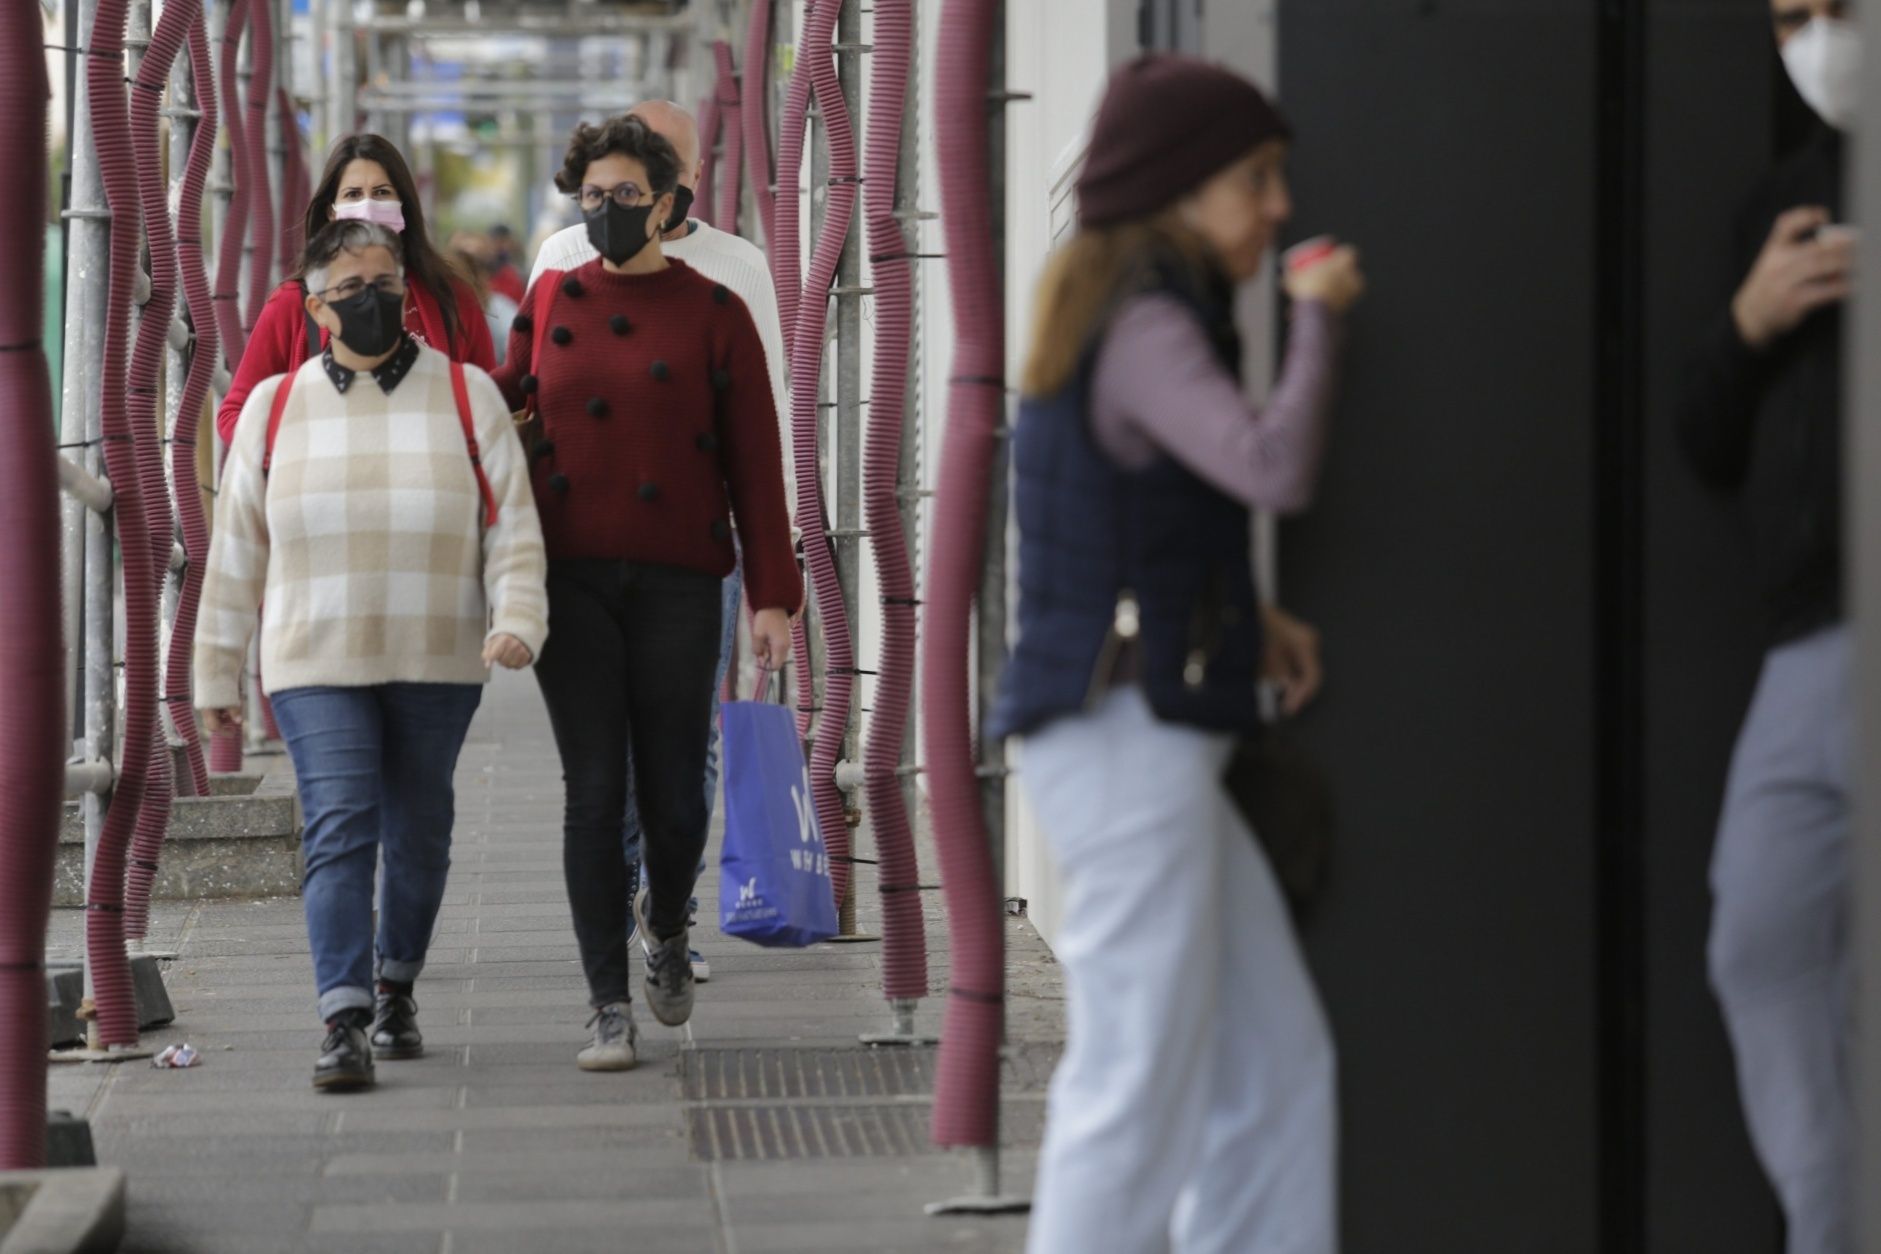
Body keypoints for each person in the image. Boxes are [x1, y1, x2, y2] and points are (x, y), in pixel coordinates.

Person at [987, 55, 1363, 1253]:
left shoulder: (1124, 306)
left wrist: (1258, 621)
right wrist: (1319, 321)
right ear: (1181, 186)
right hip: (1127, 743)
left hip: (1135, 735)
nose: (1278, 206)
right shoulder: (1146, 318)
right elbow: (1267, 466)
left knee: (1271, 1063)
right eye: (1255, 178)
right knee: (1138, 1081)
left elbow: (1144, 525)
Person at [195, 220, 547, 1091]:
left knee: (420, 831)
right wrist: (215, 672)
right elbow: (236, 550)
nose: (371, 299)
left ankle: (396, 984)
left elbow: (513, 530)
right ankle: (343, 1014)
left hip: (436, 652)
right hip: (314, 656)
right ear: (315, 307)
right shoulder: (275, 410)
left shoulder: (466, 396)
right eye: (349, 288)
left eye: (383, 282)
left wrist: (519, 618)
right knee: (340, 825)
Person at [493, 115, 799, 1071]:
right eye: (591, 197)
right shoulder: (548, 296)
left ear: (668, 202)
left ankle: (666, 918)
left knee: (674, 794)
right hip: (571, 574)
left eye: (627, 196)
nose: (607, 212)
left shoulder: (715, 309)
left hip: (680, 572)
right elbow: (501, 403)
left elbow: (756, 461)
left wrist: (772, 597)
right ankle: (606, 1005)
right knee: (594, 789)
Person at [1677, 4, 1857, 1249]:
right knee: (1762, 939)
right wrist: (1751, 321)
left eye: (1836, 7)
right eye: (1791, 15)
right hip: (1809, 646)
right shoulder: (1787, 200)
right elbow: (1705, 436)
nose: (1818, 35)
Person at [216, 134, 496, 447]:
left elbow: (491, 405)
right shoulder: (292, 304)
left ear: (403, 203)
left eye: (381, 192)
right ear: (331, 212)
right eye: (353, 194)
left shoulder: (451, 298)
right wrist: (300, 448)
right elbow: (234, 415)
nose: (368, 206)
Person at [487, 223, 527, 306]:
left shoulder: (516, 269)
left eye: (504, 241)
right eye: (496, 240)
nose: (500, 246)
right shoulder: (484, 268)